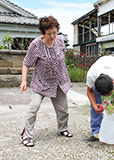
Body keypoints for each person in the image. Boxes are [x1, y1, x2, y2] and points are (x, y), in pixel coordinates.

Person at [20, 16, 72, 147]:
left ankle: (63, 128)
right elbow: (26, 63)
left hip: (59, 80)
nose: (53, 36)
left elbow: (63, 55)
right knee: (34, 107)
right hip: (41, 81)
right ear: (43, 33)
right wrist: (23, 81)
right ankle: (26, 134)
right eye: (49, 34)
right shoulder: (36, 45)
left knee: (63, 109)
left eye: (55, 32)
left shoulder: (60, 40)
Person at [86, 55, 114, 151]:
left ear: (113, 83)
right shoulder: (91, 75)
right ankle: (96, 132)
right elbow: (89, 91)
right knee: (94, 97)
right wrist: (94, 105)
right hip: (100, 65)